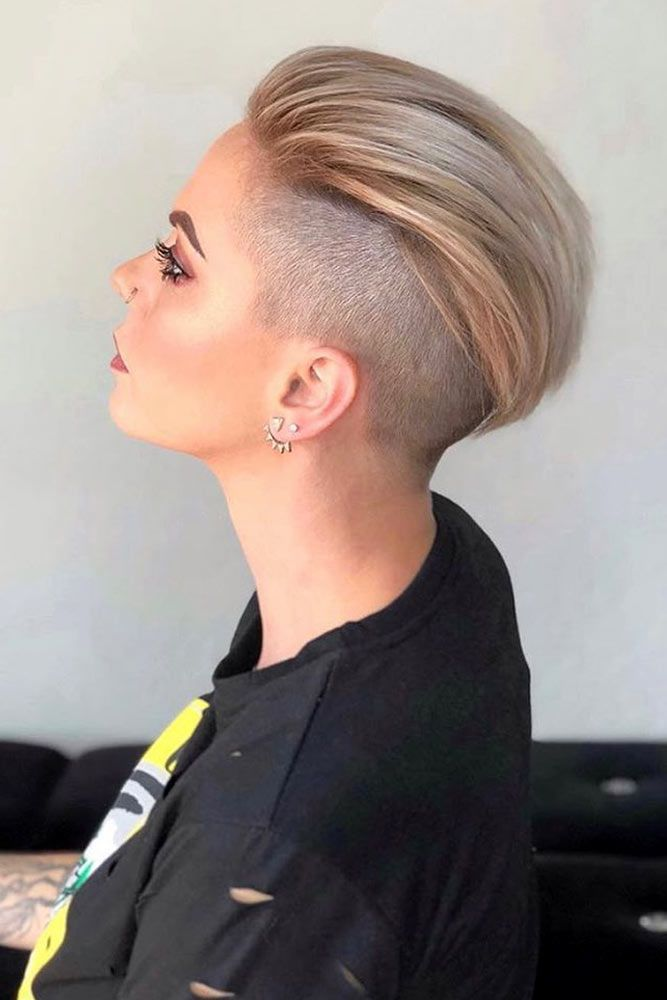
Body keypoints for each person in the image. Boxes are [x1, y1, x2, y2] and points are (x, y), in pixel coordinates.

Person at [16, 43, 595, 1000]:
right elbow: (144, 886)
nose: (127, 275)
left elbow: (247, 876)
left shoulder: (265, 861)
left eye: (176, 262)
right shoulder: (432, 568)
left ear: (306, 388)